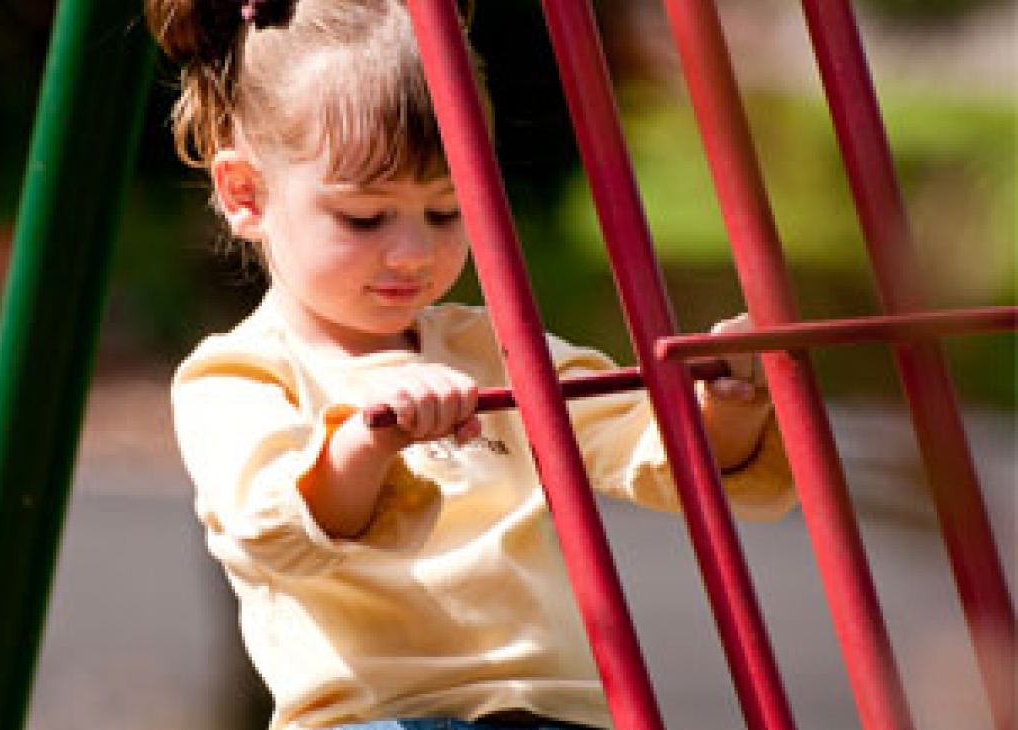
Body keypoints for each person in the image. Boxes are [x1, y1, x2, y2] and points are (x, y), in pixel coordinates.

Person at [148, 1, 797, 728]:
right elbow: (273, 531)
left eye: (448, 210)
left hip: (559, 713)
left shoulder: (495, 348)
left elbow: (657, 452)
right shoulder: (239, 376)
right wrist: (368, 439)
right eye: (365, 218)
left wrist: (731, 402)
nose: (413, 252)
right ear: (246, 193)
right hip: (384, 718)